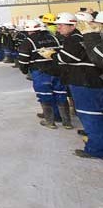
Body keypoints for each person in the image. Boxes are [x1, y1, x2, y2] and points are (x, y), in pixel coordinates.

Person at [40, 12, 103, 159]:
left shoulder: (77, 38)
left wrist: (53, 55)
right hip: (90, 81)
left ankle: (95, 149)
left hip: (84, 82)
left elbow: (69, 56)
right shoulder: (86, 38)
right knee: (95, 114)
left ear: (74, 25)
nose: (58, 28)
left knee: (90, 115)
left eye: (61, 25)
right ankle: (95, 138)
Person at [17, 20, 69, 129]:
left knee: (45, 95)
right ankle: (66, 122)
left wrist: (24, 70)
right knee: (61, 94)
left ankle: (50, 121)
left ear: (29, 30)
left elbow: (23, 59)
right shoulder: (54, 38)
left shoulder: (28, 41)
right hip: (57, 70)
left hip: (40, 72)